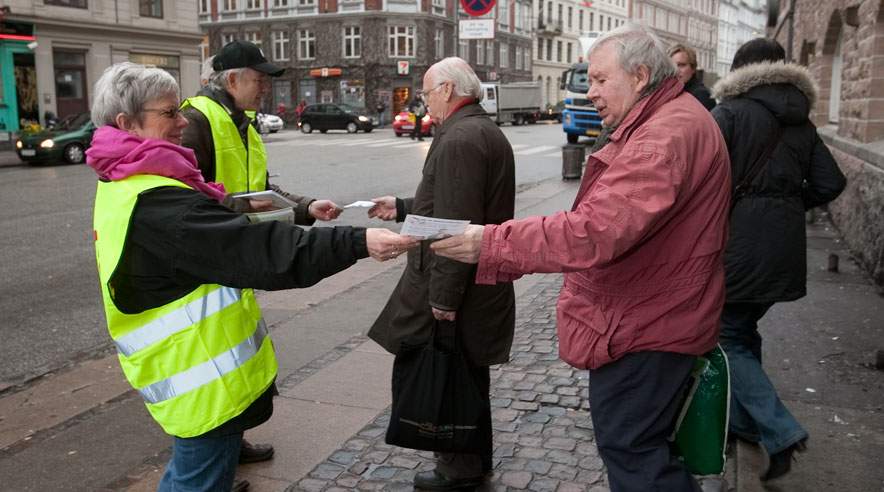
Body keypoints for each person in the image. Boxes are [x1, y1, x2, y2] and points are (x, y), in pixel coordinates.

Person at [86, 62, 417, 492]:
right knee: (196, 479)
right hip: (200, 376)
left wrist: (298, 209)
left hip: (185, 367)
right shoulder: (161, 201)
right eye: (169, 113)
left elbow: (220, 220)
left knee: (196, 471)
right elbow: (261, 252)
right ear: (127, 123)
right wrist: (357, 242)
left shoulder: (128, 179)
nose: (182, 122)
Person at [431, 25, 731, 491]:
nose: (590, 93)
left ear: (639, 76)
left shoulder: (661, 136)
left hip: (646, 323)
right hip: (656, 312)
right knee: (637, 445)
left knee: (633, 450)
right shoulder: (670, 119)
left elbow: (594, 230)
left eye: (598, 79)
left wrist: (489, 243)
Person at [367, 57, 516, 491]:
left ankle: (459, 470)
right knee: (466, 374)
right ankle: (472, 458)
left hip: (459, 283)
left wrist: (444, 298)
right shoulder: (475, 129)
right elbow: (451, 204)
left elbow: (455, 227)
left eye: (427, 93)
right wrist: (403, 205)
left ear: (448, 90)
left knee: (452, 373)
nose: (424, 101)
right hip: (476, 277)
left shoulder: (460, 138)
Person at [710, 38, 846, 481]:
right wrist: (786, 203)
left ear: (740, 70)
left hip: (738, 246)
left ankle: (780, 429)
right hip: (784, 246)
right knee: (744, 330)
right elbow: (830, 182)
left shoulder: (729, 112)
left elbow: (699, 175)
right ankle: (744, 423)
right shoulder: (801, 120)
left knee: (726, 335)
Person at [182, 40, 341, 226]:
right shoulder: (195, 119)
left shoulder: (242, 123)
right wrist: (243, 206)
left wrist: (307, 207)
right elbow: (183, 194)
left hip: (241, 241)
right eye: (259, 80)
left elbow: (261, 192)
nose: (265, 89)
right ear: (232, 80)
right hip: (216, 244)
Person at [670, 44, 716, 110]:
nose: (676, 70)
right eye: (673, 65)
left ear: (693, 68)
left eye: (682, 65)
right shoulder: (670, 92)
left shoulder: (702, 95)